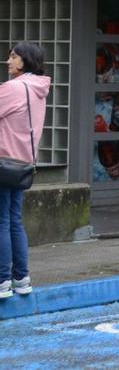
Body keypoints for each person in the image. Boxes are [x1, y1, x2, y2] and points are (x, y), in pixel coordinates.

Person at [0, 43, 50, 299]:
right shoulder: (38, 88)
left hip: (3, 159)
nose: (8, 61)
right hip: (23, 163)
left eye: (13, 56)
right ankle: (21, 278)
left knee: (2, 221)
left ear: (25, 61)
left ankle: (2, 281)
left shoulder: (13, 88)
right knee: (14, 220)